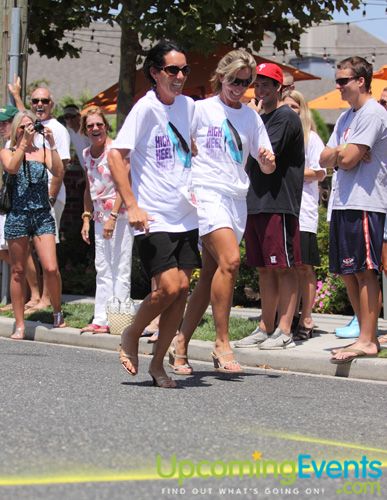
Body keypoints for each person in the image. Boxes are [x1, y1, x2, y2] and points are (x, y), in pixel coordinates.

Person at [171, 49, 275, 374]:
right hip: (205, 192)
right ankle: (221, 342)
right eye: (234, 80)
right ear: (221, 78)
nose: (239, 87)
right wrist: (186, 149)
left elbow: (267, 165)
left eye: (246, 82)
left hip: (236, 198)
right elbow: (175, 143)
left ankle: (181, 343)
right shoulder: (200, 110)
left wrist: (268, 162)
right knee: (230, 261)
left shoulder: (251, 117)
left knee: (210, 277)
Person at [108, 40, 201, 388]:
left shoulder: (189, 107)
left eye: (184, 70)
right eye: (172, 70)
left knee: (181, 291)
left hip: (187, 215)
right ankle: (131, 332)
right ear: (155, 72)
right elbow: (117, 156)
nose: (179, 76)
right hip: (153, 216)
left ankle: (158, 364)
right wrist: (131, 204)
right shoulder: (145, 109)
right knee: (169, 286)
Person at [319, 56, 387, 363]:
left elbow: (346, 160)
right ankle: (366, 335)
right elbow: (325, 157)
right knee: (349, 272)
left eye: (343, 80)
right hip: (342, 202)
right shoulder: (347, 118)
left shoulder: (372, 113)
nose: (338, 86)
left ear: (361, 80)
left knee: (363, 272)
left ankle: (367, 340)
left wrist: (341, 155)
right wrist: (340, 154)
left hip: (365, 202)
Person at [235, 63, 305, 350]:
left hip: (279, 203)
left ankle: (286, 330)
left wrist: (249, 114)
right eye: (258, 84)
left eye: (267, 84)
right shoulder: (256, 118)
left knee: (284, 268)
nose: (260, 89)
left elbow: (264, 152)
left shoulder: (285, 117)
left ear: (280, 88)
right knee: (264, 268)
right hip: (255, 202)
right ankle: (265, 327)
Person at [0, 111, 65, 339]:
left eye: (31, 126)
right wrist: (23, 144)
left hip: (41, 215)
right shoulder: (7, 151)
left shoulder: (42, 151)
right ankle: (19, 324)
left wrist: (52, 144)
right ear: (16, 130)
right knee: (17, 270)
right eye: (23, 127)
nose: (27, 130)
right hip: (17, 215)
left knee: (50, 267)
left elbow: (58, 171)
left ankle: (57, 311)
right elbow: (12, 168)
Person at [80, 106, 133, 334]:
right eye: (90, 125)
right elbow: (88, 187)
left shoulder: (116, 151)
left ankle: (119, 320)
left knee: (120, 266)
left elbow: (125, 186)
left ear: (106, 126)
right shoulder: (85, 154)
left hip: (119, 216)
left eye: (99, 124)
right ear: (85, 130)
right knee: (102, 267)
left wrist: (113, 216)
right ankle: (100, 318)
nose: (95, 129)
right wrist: (86, 217)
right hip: (99, 218)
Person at [283, 90, 326, 340]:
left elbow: (320, 172)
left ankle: (307, 317)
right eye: (285, 106)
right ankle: (287, 317)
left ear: (302, 110)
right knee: (285, 267)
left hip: (304, 211)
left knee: (304, 266)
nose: (290, 111)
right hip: (282, 209)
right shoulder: (279, 136)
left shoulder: (311, 138)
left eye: (294, 107)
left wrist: (290, 173)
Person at [0, 105, 41, 311]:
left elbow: (13, 168)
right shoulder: (6, 145)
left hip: (28, 206)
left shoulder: (26, 144)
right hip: (9, 205)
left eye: (5, 122)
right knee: (8, 253)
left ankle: (34, 295)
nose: (1, 126)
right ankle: (21, 297)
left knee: (24, 254)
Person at [62, 104, 90, 169]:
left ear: (79, 116)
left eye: (72, 116)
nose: (69, 120)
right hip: (85, 169)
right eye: (66, 117)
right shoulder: (70, 132)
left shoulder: (87, 131)